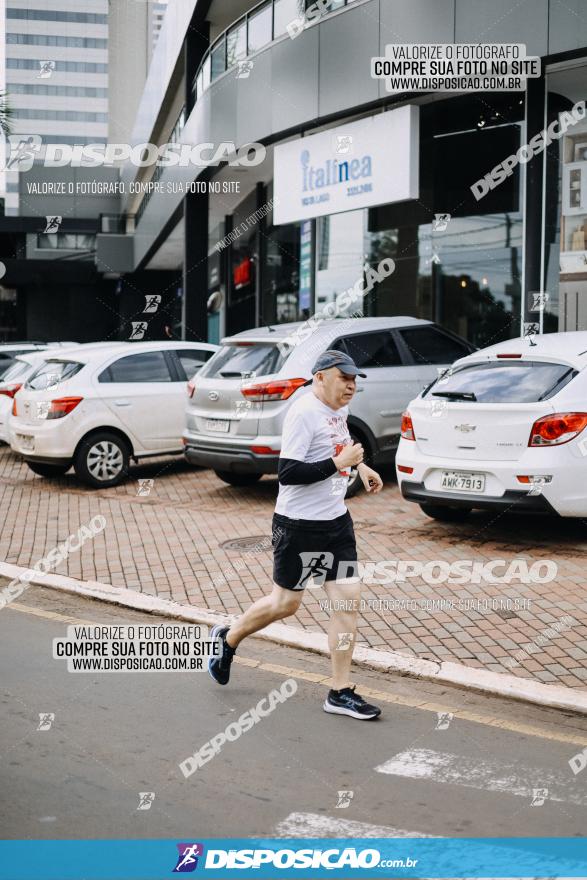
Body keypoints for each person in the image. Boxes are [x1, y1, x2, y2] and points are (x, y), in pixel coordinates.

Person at [208, 350, 384, 720]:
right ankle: (228, 638)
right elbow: (287, 472)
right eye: (343, 378)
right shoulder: (303, 413)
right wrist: (341, 464)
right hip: (299, 525)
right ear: (320, 377)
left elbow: (338, 447)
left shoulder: (339, 410)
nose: (351, 385)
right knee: (285, 604)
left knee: (347, 603)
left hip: (336, 522)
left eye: (354, 380)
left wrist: (362, 467)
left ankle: (339, 691)